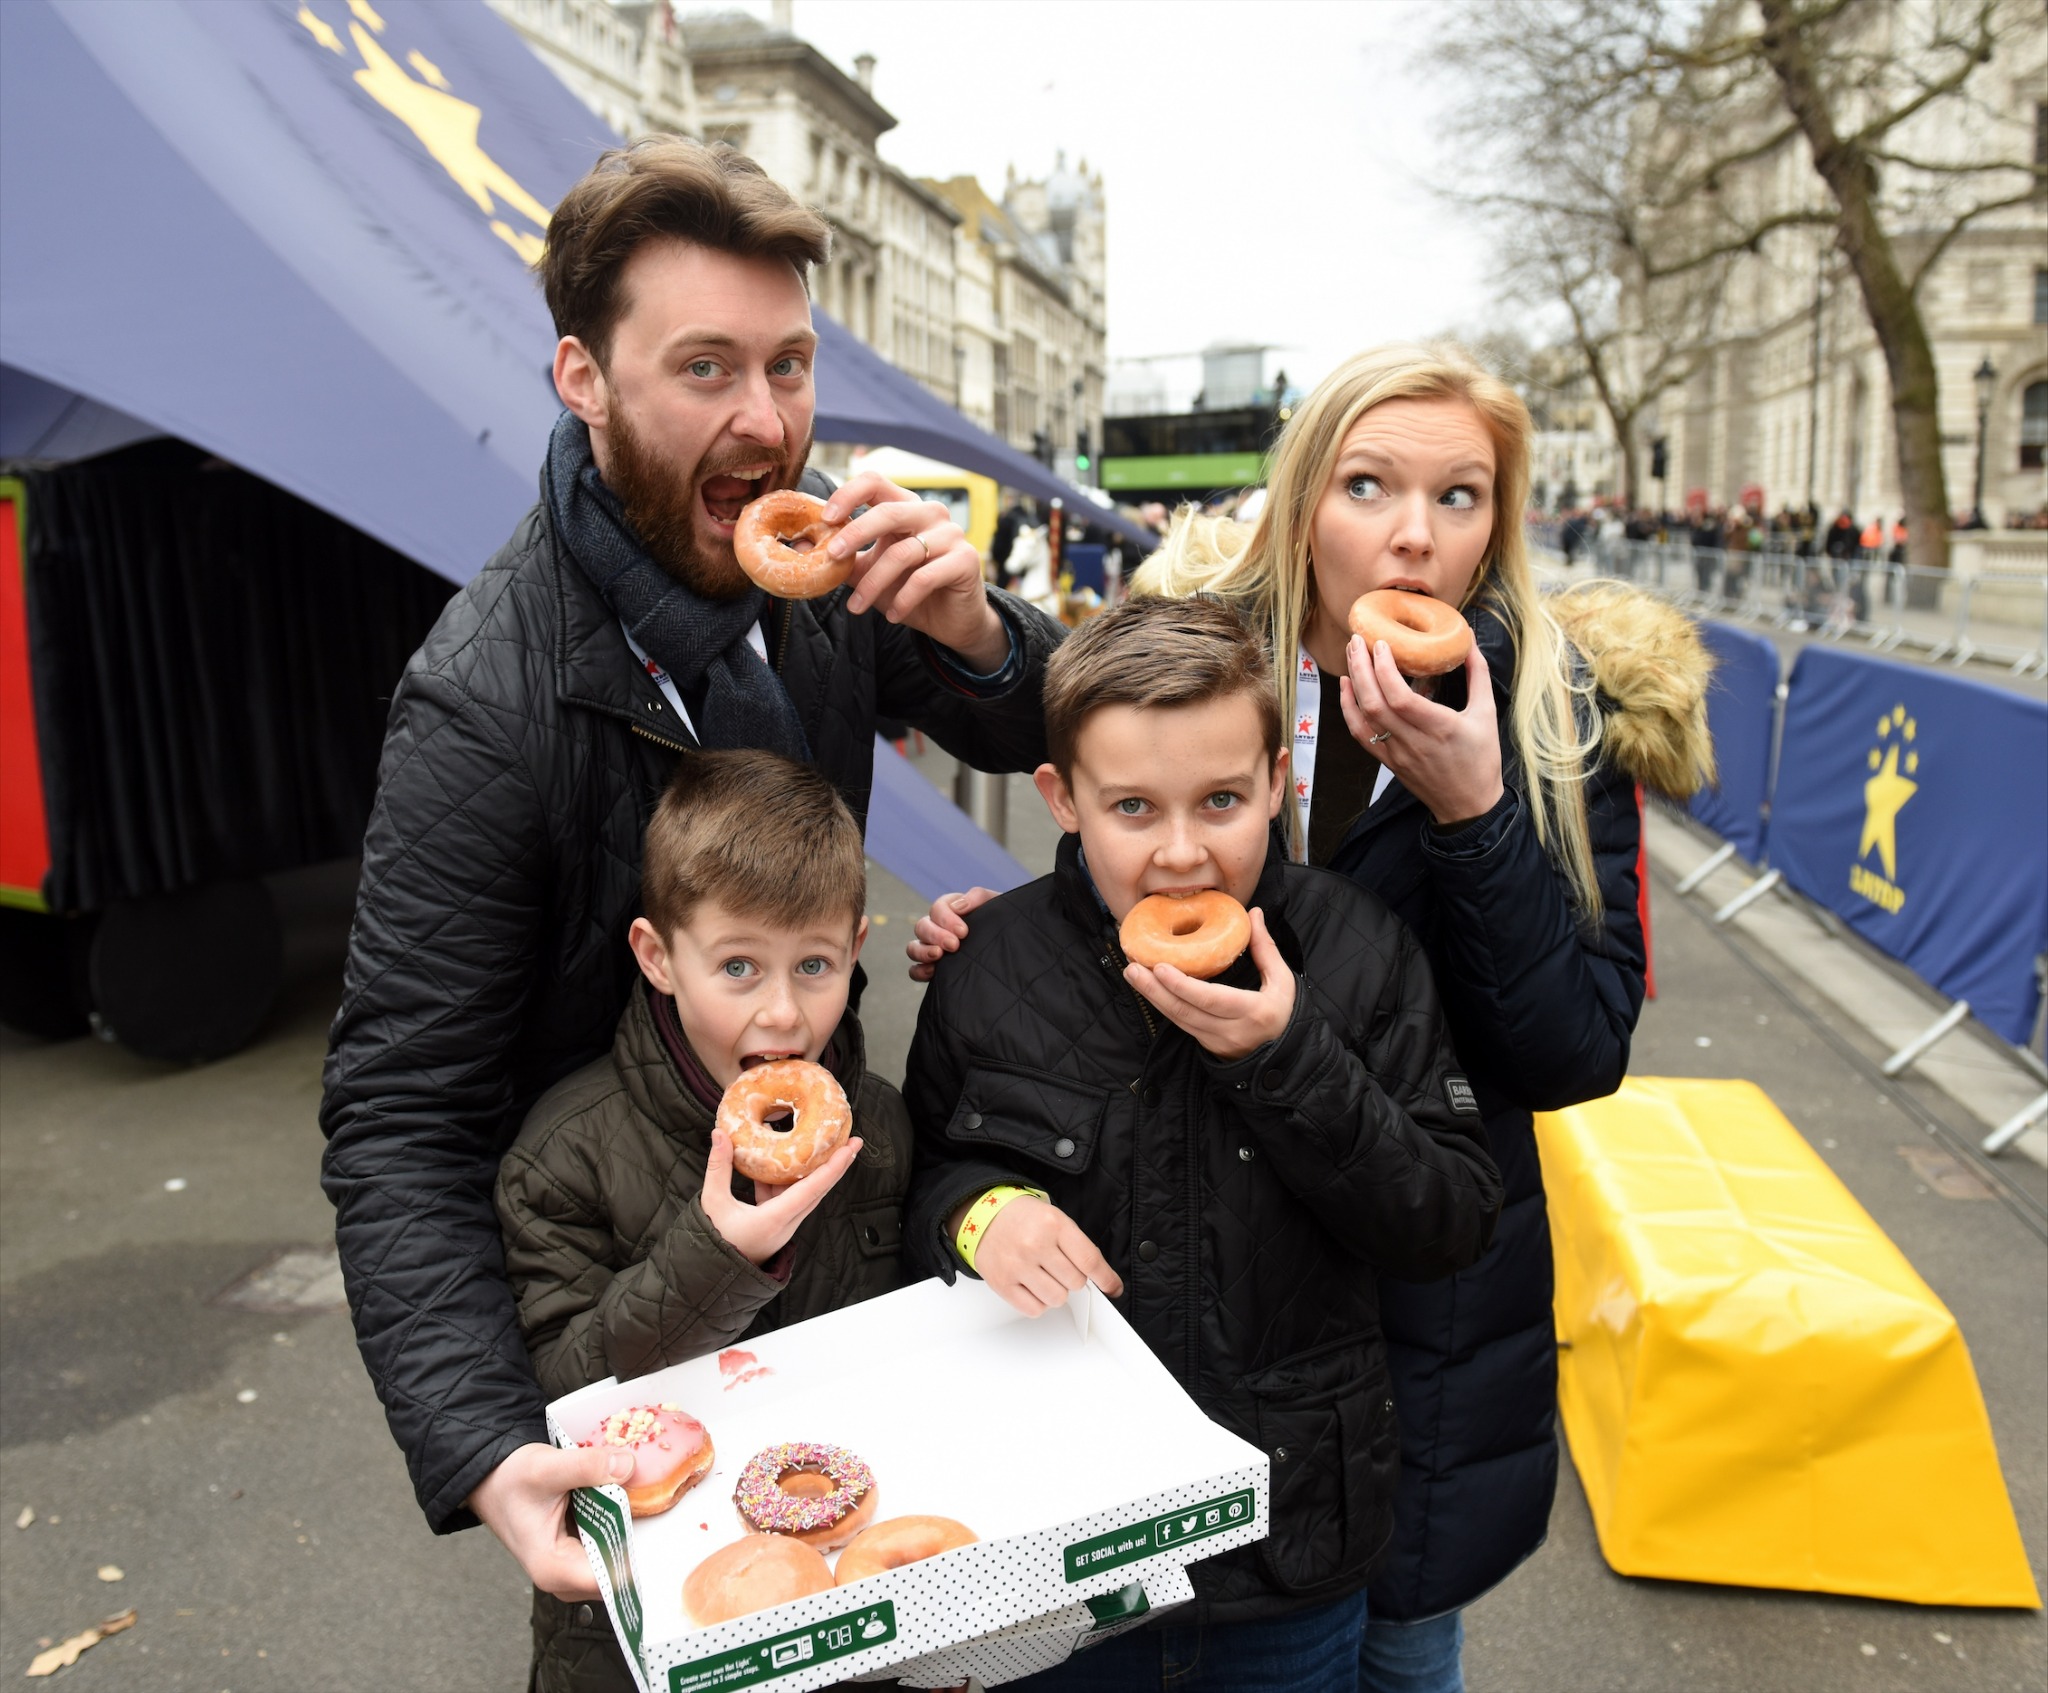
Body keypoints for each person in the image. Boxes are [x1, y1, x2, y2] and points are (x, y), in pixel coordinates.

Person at [319, 136, 1065, 1604]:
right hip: (624, 1270)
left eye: (787, 366)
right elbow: (400, 1117)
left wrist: (989, 632)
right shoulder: (486, 704)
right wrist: (482, 1442)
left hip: (842, 1220)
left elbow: (1044, 729)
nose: (767, 419)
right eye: (706, 369)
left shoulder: (831, 572)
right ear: (582, 378)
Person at [912, 343, 1712, 1692]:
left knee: (1387, 1650)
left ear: (1498, 522)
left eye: (1461, 498)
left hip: (1431, 1293)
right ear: (1301, 501)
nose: (1414, 532)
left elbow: (1574, 1052)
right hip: (1203, 1272)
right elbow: (1100, 781)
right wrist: (1040, 927)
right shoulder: (1213, 656)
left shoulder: (1551, 715)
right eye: (1369, 485)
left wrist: (1476, 816)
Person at [903, 595, 1504, 1693]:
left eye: (1221, 800)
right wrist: (982, 1214)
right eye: (1132, 806)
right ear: (1062, 800)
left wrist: (1288, 1057)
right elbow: (922, 1178)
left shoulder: (1360, 955)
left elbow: (1449, 1219)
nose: (1181, 853)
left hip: (1286, 1555)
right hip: (1056, 1559)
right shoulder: (990, 967)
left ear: (1278, 781)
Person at [496, 749, 907, 1692]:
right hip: (642, 1633)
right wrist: (717, 1254)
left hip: (847, 1606)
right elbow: (559, 1398)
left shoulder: (876, 1124)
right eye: (736, 966)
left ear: (855, 943)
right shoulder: (565, 1154)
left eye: (814, 963)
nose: (781, 1012)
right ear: (657, 956)